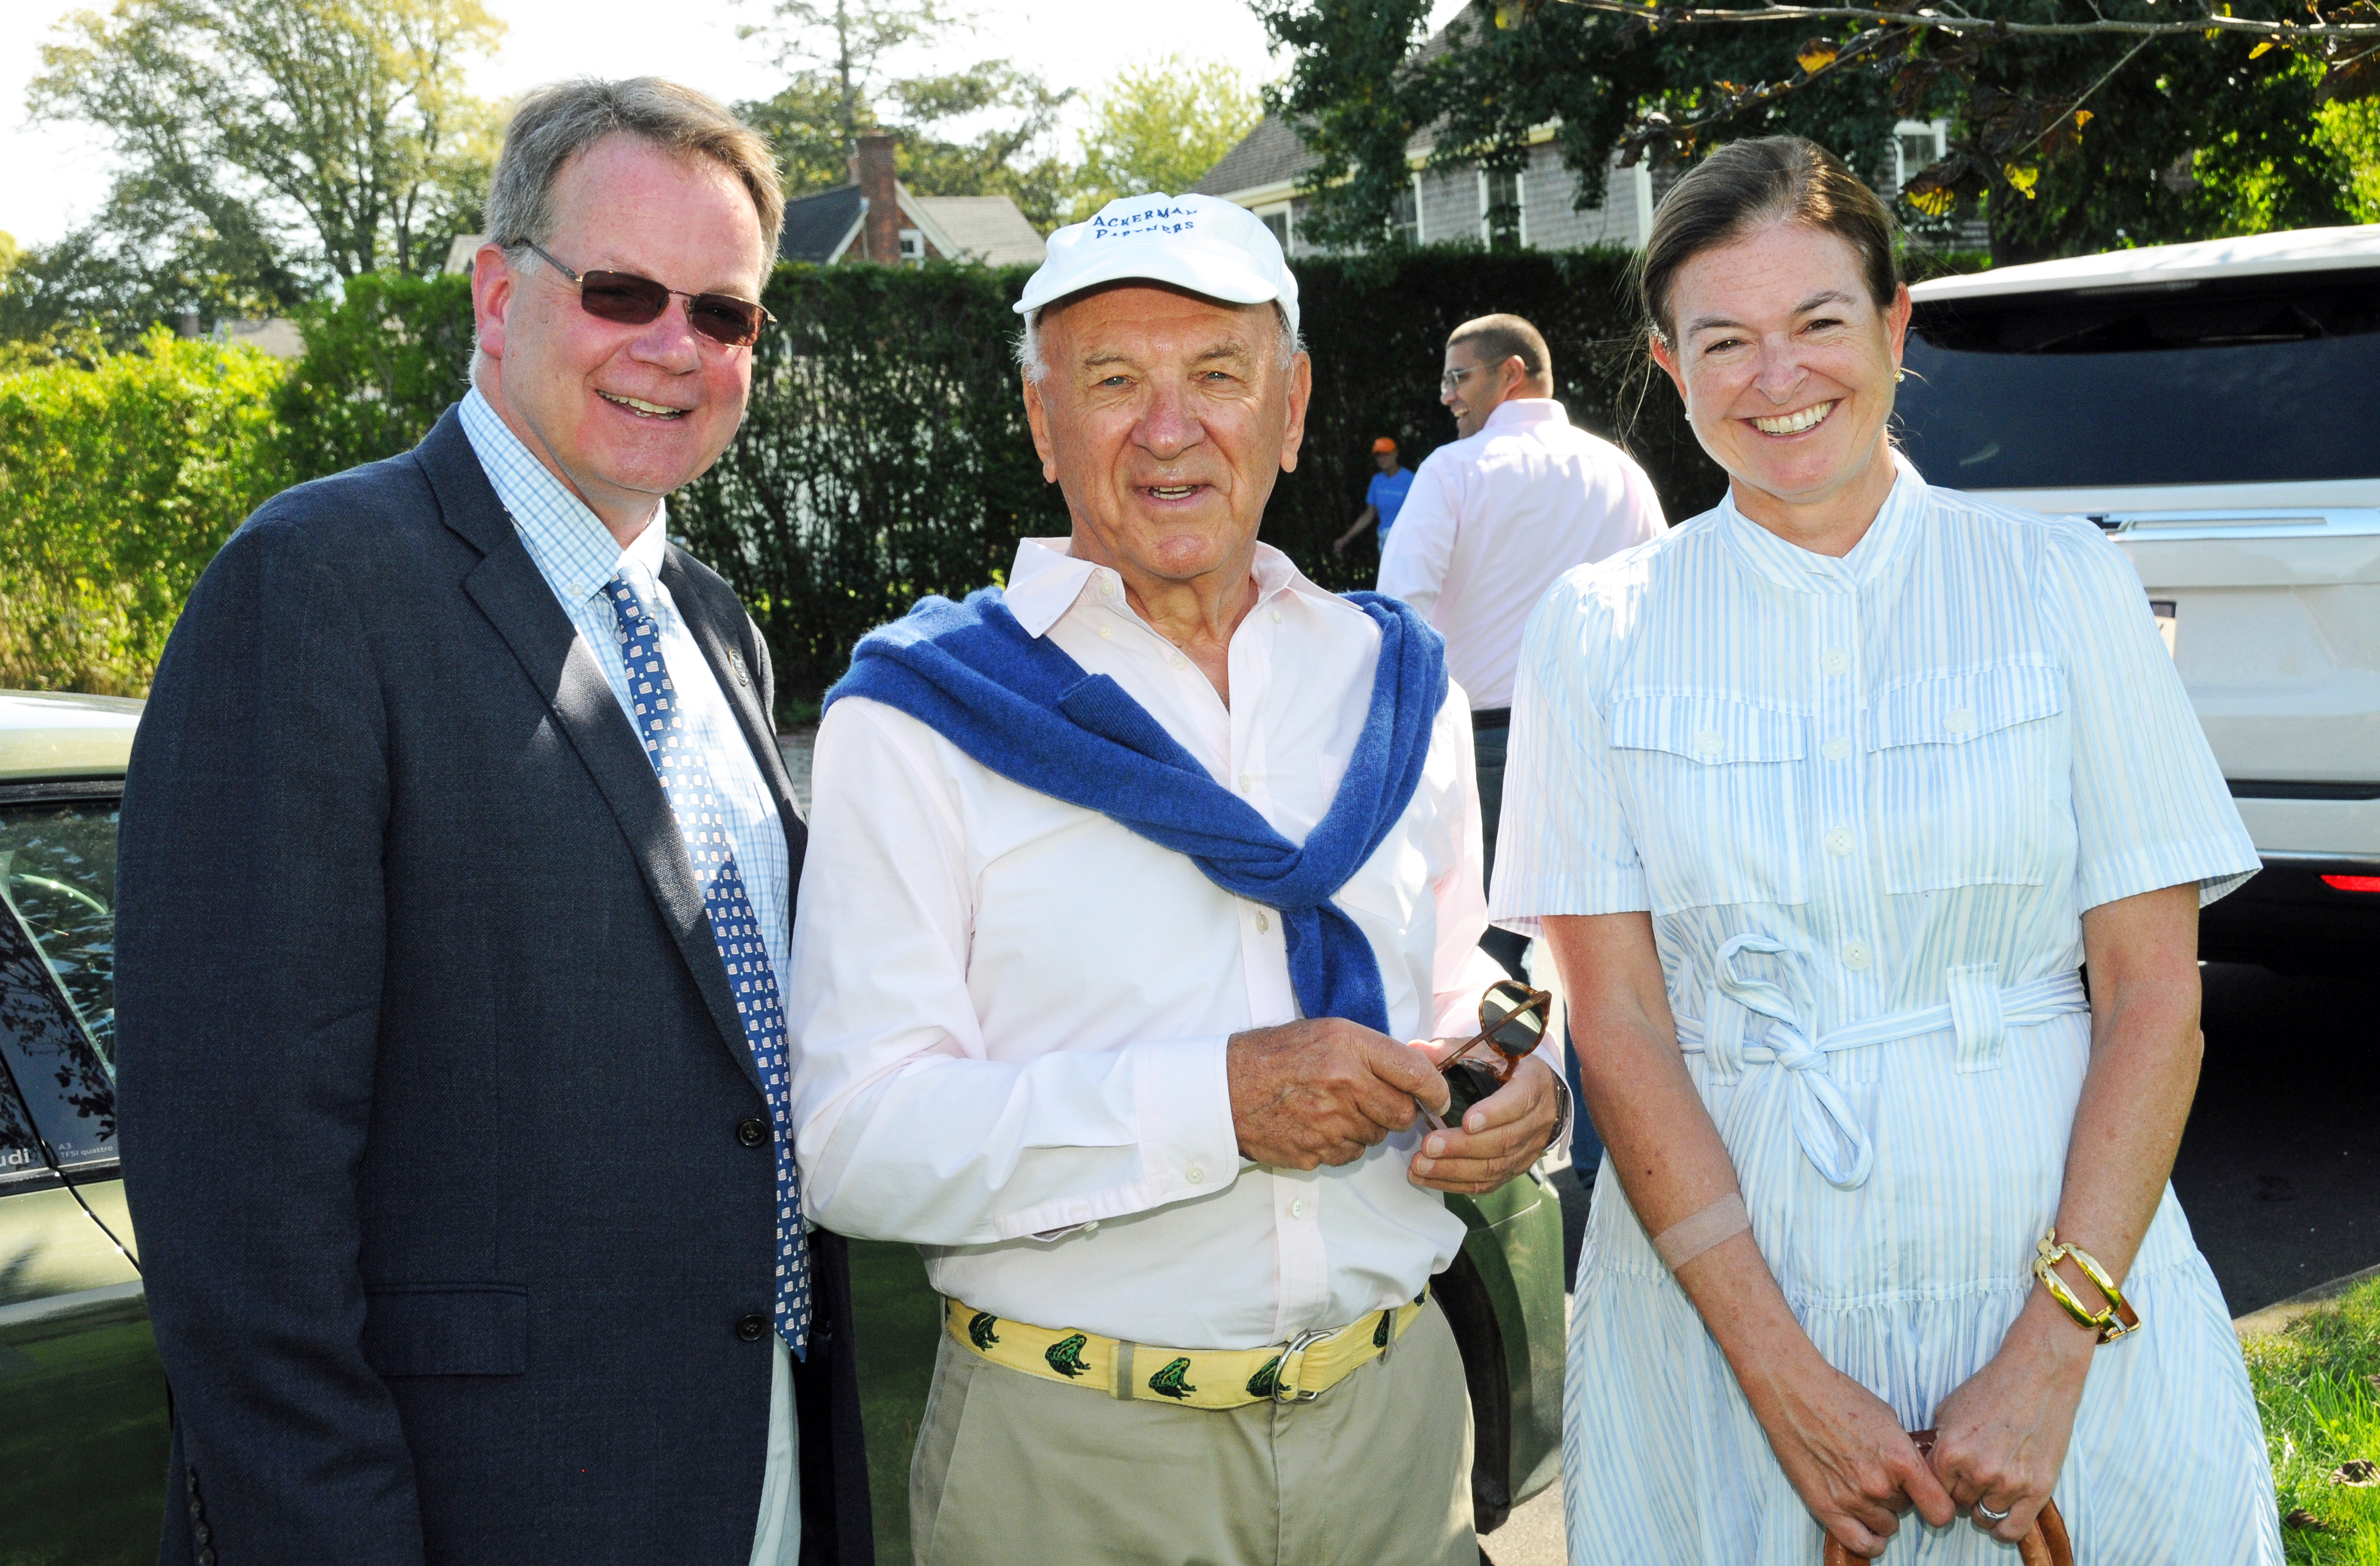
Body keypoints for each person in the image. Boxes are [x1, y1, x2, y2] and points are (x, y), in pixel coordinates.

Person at [113, 79, 871, 1566]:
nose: (675, 345)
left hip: (750, 1456)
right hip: (470, 1502)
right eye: (621, 290)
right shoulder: (317, 584)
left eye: (724, 314)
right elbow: (240, 1198)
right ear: (493, 290)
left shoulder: (716, 628)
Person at [1493, 136, 2281, 1564]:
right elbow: (1617, 1022)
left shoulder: (2062, 588)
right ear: (1671, 368)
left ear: (1896, 323)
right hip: (1729, 1308)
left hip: (2059, 1269)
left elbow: (2157, 992)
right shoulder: (1595, 631)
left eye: (1818, 323)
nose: (1776, 377)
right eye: (1723, 340)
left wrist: (2052, 1349)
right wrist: (1784, 1383)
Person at [784, 191, 1568, 1566]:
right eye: (1111, 383)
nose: (1168, 428)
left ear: (1294, 402)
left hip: (1397, 1432)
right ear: (1040, 422)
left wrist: (1512, 1082)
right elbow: (856, 1143)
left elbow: (1455, 979)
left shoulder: (1400, 685)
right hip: (1073, 1463)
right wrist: (1219, 1100)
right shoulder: (917, 714)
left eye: (1217, 375)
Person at [1331, 436, 1414, 555]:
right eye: (1378, 455)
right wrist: (1346, 538)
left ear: (1395, 453)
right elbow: (1369, 514)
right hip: (1385, 539)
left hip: (1407, 538)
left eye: (1386, 454)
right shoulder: (1377, 481)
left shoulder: (1410, 479)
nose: (1382, 458)